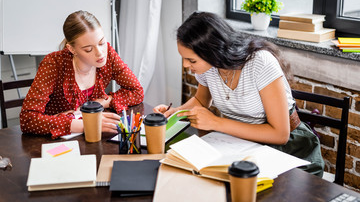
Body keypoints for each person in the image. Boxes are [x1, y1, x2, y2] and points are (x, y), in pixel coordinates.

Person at [154, 11, 324, 177]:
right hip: (239, 145)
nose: (185, 65)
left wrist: (216, 122)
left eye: (191, 60)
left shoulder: (260, 63)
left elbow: (280, 135)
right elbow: (200, 101)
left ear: (213, 51)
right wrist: (174, 113)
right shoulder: (208, 68)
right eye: (184, 58)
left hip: (290, 151)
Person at [20, 10, 144, 139]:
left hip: (95, 138)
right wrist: (87, 124)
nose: (100, 53)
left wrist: (102, 103)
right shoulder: (53, 64)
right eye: (88, 49)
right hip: (59, 143)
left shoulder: (109, 55)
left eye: (101, 43)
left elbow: (137, 91)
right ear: (72, 49)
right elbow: (28, 119)